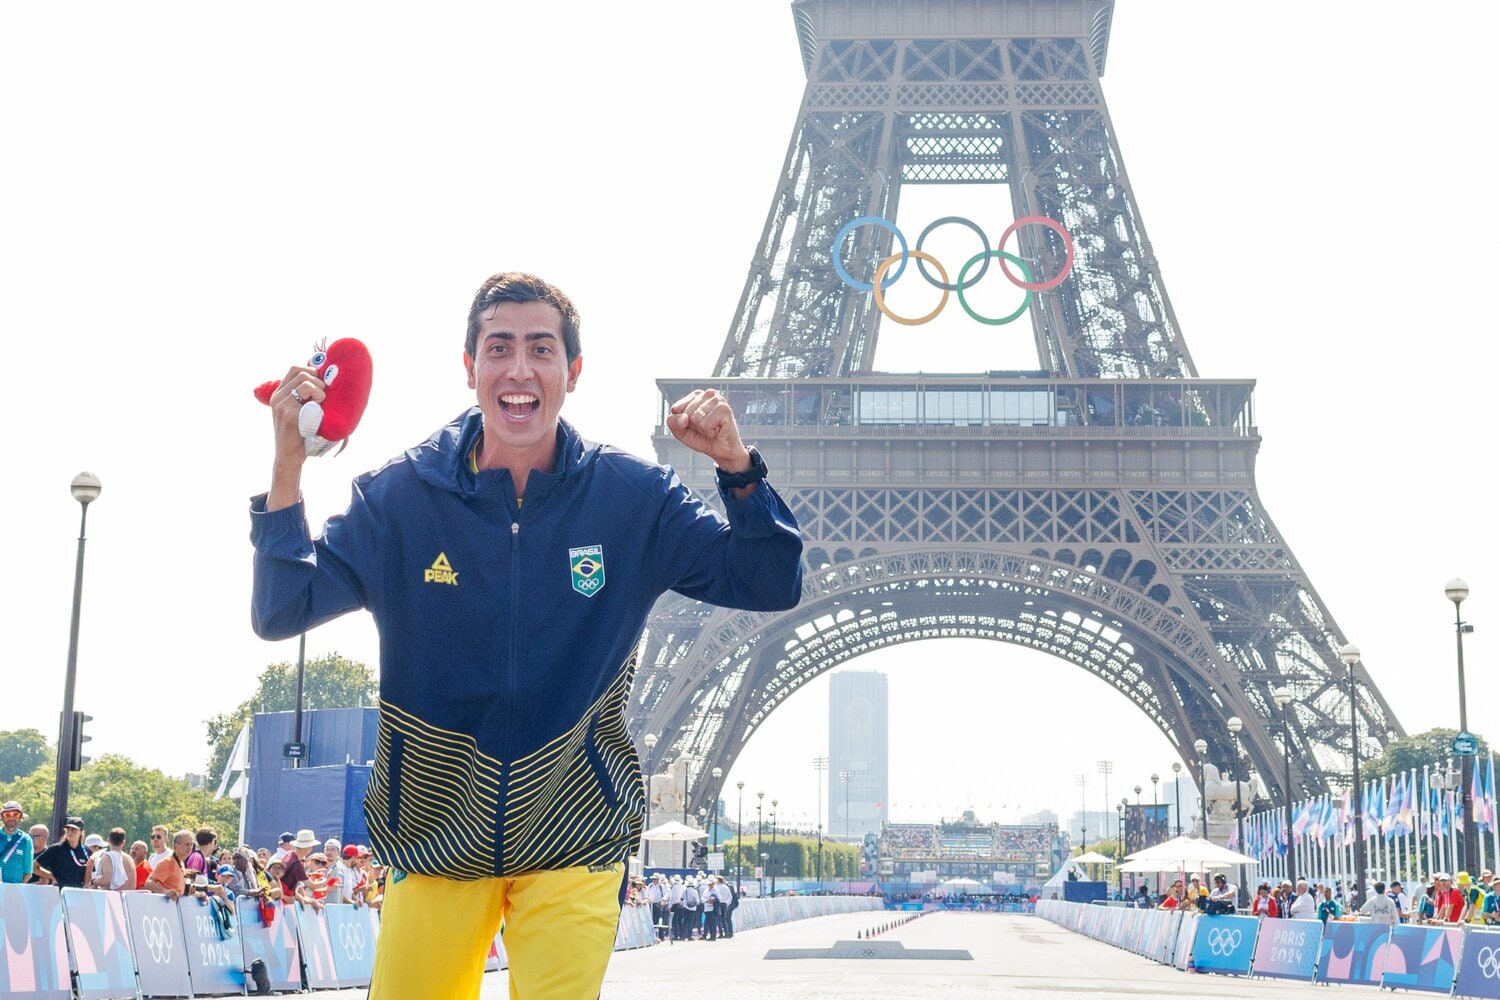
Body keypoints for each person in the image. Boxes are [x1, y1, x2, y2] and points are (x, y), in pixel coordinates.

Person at [249, 272, 803, 998]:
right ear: (470, 368)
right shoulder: (400, 497)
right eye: (499, 348)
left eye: (541, 350)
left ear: (573, 372)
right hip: (437, 834)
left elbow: (769, 582)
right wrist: (288, 465)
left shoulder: (634, 499)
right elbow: (283, 608)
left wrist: (737, 468)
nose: (519, 369)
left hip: (574, 835)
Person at [35, 817, 91, 888]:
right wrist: (52, 876)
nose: (70, 832)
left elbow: (90, 873)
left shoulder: (86, 851)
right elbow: (34, 867)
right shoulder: (56, 849)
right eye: (68, 829)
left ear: (81, 832)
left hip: (77, 892)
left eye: (74, 830)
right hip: (59, 891)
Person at [145, 830, 194, 898]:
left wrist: (198, 894)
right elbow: (148, 883)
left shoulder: (181, 863)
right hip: (165, 906)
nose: (190, 848)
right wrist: (165, 891)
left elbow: (178, 890)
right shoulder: (168, 863)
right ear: (176, 846)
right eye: (187, 844)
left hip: (176, 906)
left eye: (191, 844)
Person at [0, 801, 33, 885]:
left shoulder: (26, 839)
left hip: (14, 891)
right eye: (7, 815)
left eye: (15, 814)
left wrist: (17, 889)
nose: (11, 818)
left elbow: (28, 872)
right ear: (2, 817)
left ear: (20, 817)